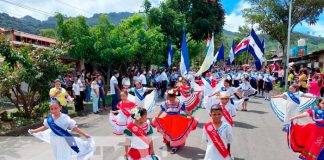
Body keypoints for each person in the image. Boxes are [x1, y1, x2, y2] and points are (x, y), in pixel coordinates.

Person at [29, 100, 94, 160]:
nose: (53, 110)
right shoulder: (49, 119)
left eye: (56, 108)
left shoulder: (65, 118)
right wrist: (34, 131)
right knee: (57, 155)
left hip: (64, 140)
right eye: (51, 109)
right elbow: (45, 127)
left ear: (60, 107)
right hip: (54, 140)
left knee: (64, 156)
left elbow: (74, 128)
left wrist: (85, 134)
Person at [152, 89, 198, 154]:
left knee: (175, 132)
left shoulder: (179, 103)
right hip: (168, 120)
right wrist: (157, 116)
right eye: (170, 99)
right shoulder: (166, 103)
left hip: (177, 120)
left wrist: (191, 116)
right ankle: (169, 142)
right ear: (168, 97)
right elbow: (161, 110)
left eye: (173, 99)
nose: (172, 100)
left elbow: (185, 110)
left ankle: (174, 147)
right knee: (168, 131)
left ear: (175, 97)